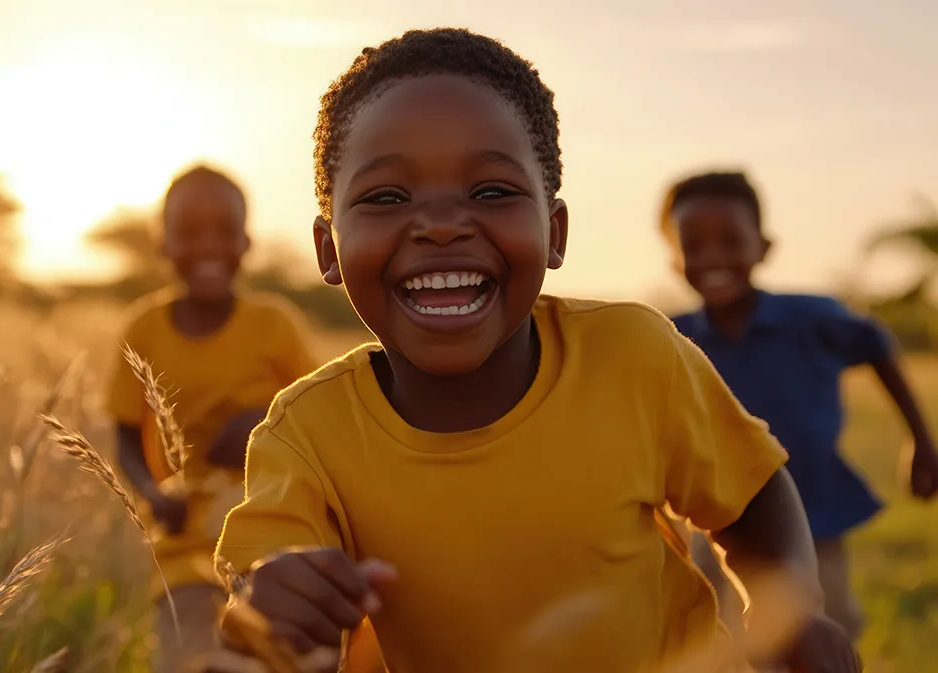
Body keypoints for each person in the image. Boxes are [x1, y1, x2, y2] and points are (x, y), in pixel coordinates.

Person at [205, 28, 862, 673]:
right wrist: (274, 612)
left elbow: (752, 496)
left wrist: (795, 607)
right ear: (328, 250)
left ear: (553, 231)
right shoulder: (306, 436)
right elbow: (262, 590)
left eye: (490, 191)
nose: (439, 224)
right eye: (386, 197)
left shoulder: (633, 355)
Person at [660, 170, 938, 640]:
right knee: (718, 633)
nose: (713, 258)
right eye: (694, 245)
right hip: (717, 519)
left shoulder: (812, 319)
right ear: (674, 258)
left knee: (825, 629)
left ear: (764, 247)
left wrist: (921, 441)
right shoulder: (669, 336)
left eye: (731, 241)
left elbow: (878, 346)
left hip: (813, 517)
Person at [106, 165, 321, 673]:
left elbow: (317, 418)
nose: (208, 246)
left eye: (225, 231)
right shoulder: (143, 329)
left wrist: (260, 424)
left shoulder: (275, 326)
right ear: (163, 243)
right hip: (184, 551)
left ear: (246, 242)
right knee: (191, 663)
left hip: (277, 544)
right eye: (189, 232)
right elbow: (123, 436)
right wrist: (155, 494)